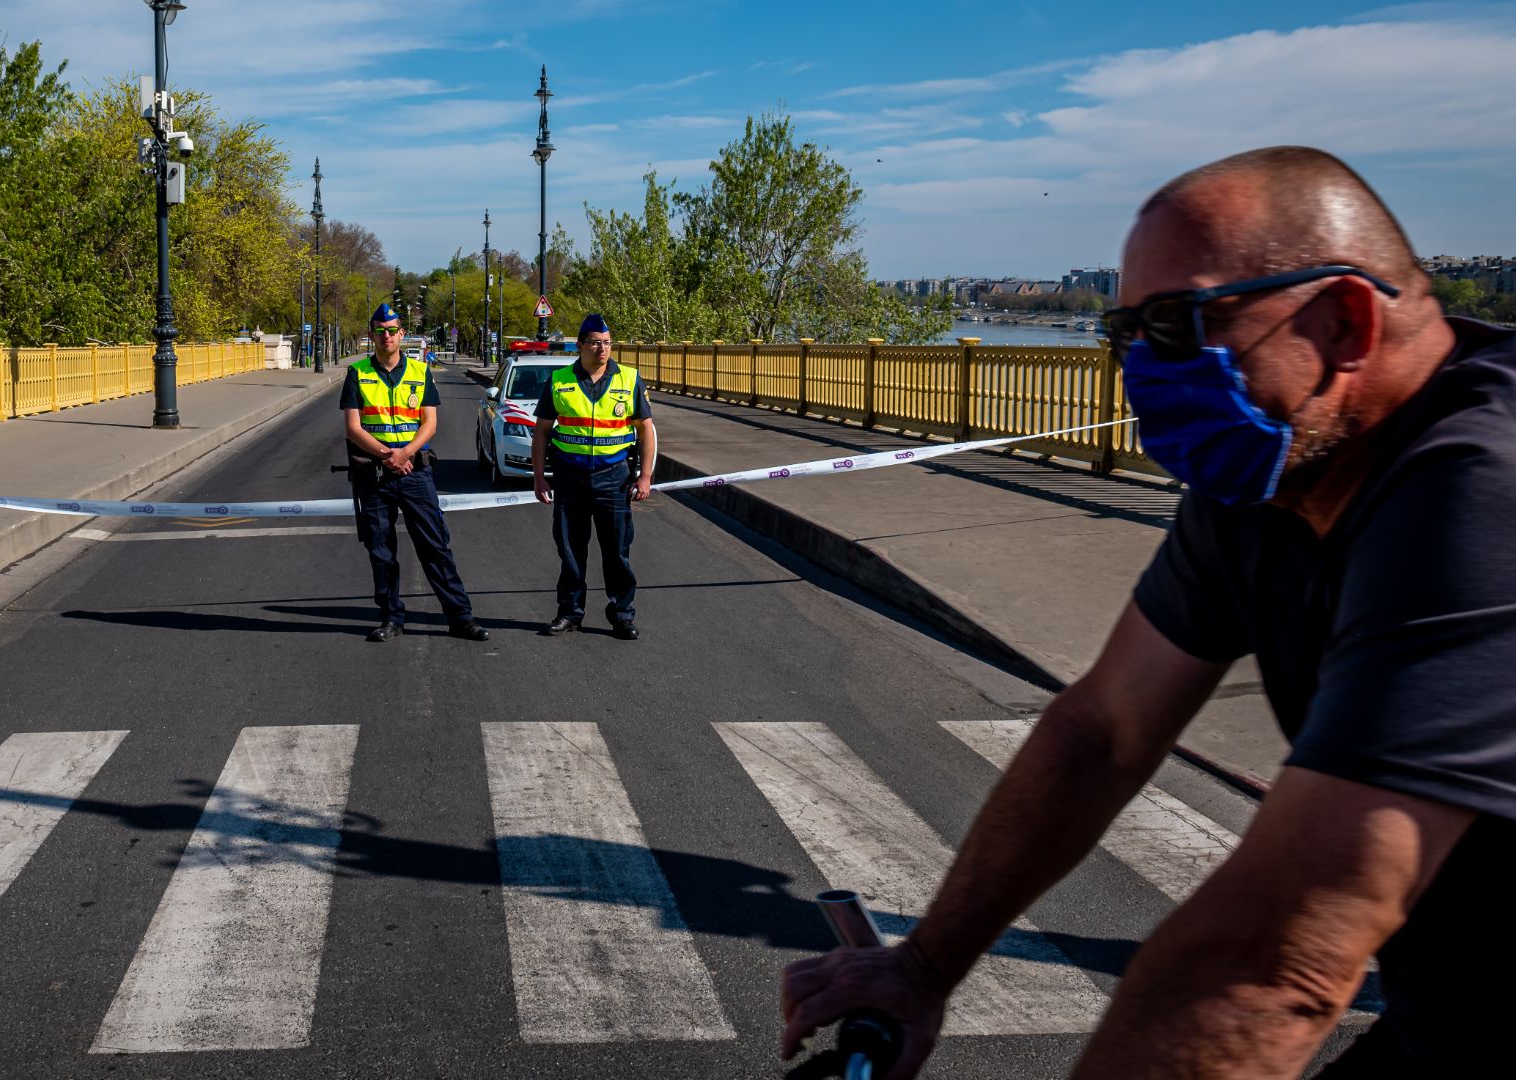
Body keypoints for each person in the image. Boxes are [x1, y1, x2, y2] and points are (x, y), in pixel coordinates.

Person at [781, 146, 1515, 1077]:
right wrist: (924, 967)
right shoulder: (1266, 475)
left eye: (1176, 325)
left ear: (1343, 320)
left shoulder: (1481, 497)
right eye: (1125, 332)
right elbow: (1104, 728)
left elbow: (1273, 959)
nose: (1141, 372)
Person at [340, 304, 489, 644]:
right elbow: (352, 427)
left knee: (436, 546)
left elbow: (430, 422)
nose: (387, 335)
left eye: (392, 330)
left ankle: (460, 618)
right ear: (372, 334)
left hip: (414, 472)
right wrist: (386, 455)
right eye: (380, 330)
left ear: (402, 334)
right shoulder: (358, 373)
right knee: (380, 550)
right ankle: (391, 617)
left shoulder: (420, 372)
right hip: (374, 474)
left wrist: (405, 453)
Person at [530, 313, 657, 640]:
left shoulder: (629, 379)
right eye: (595, 343)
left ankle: (621, 614)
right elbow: (542, 433)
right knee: (571, 550)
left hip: (614, 479)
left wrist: (645, 476)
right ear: (580, 345)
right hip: (570, 479)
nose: (602, 349)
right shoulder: (559, 380)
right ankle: (570, 612)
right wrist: (539, 477)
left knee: (616, 550)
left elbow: (647, 430)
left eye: (607, 343)